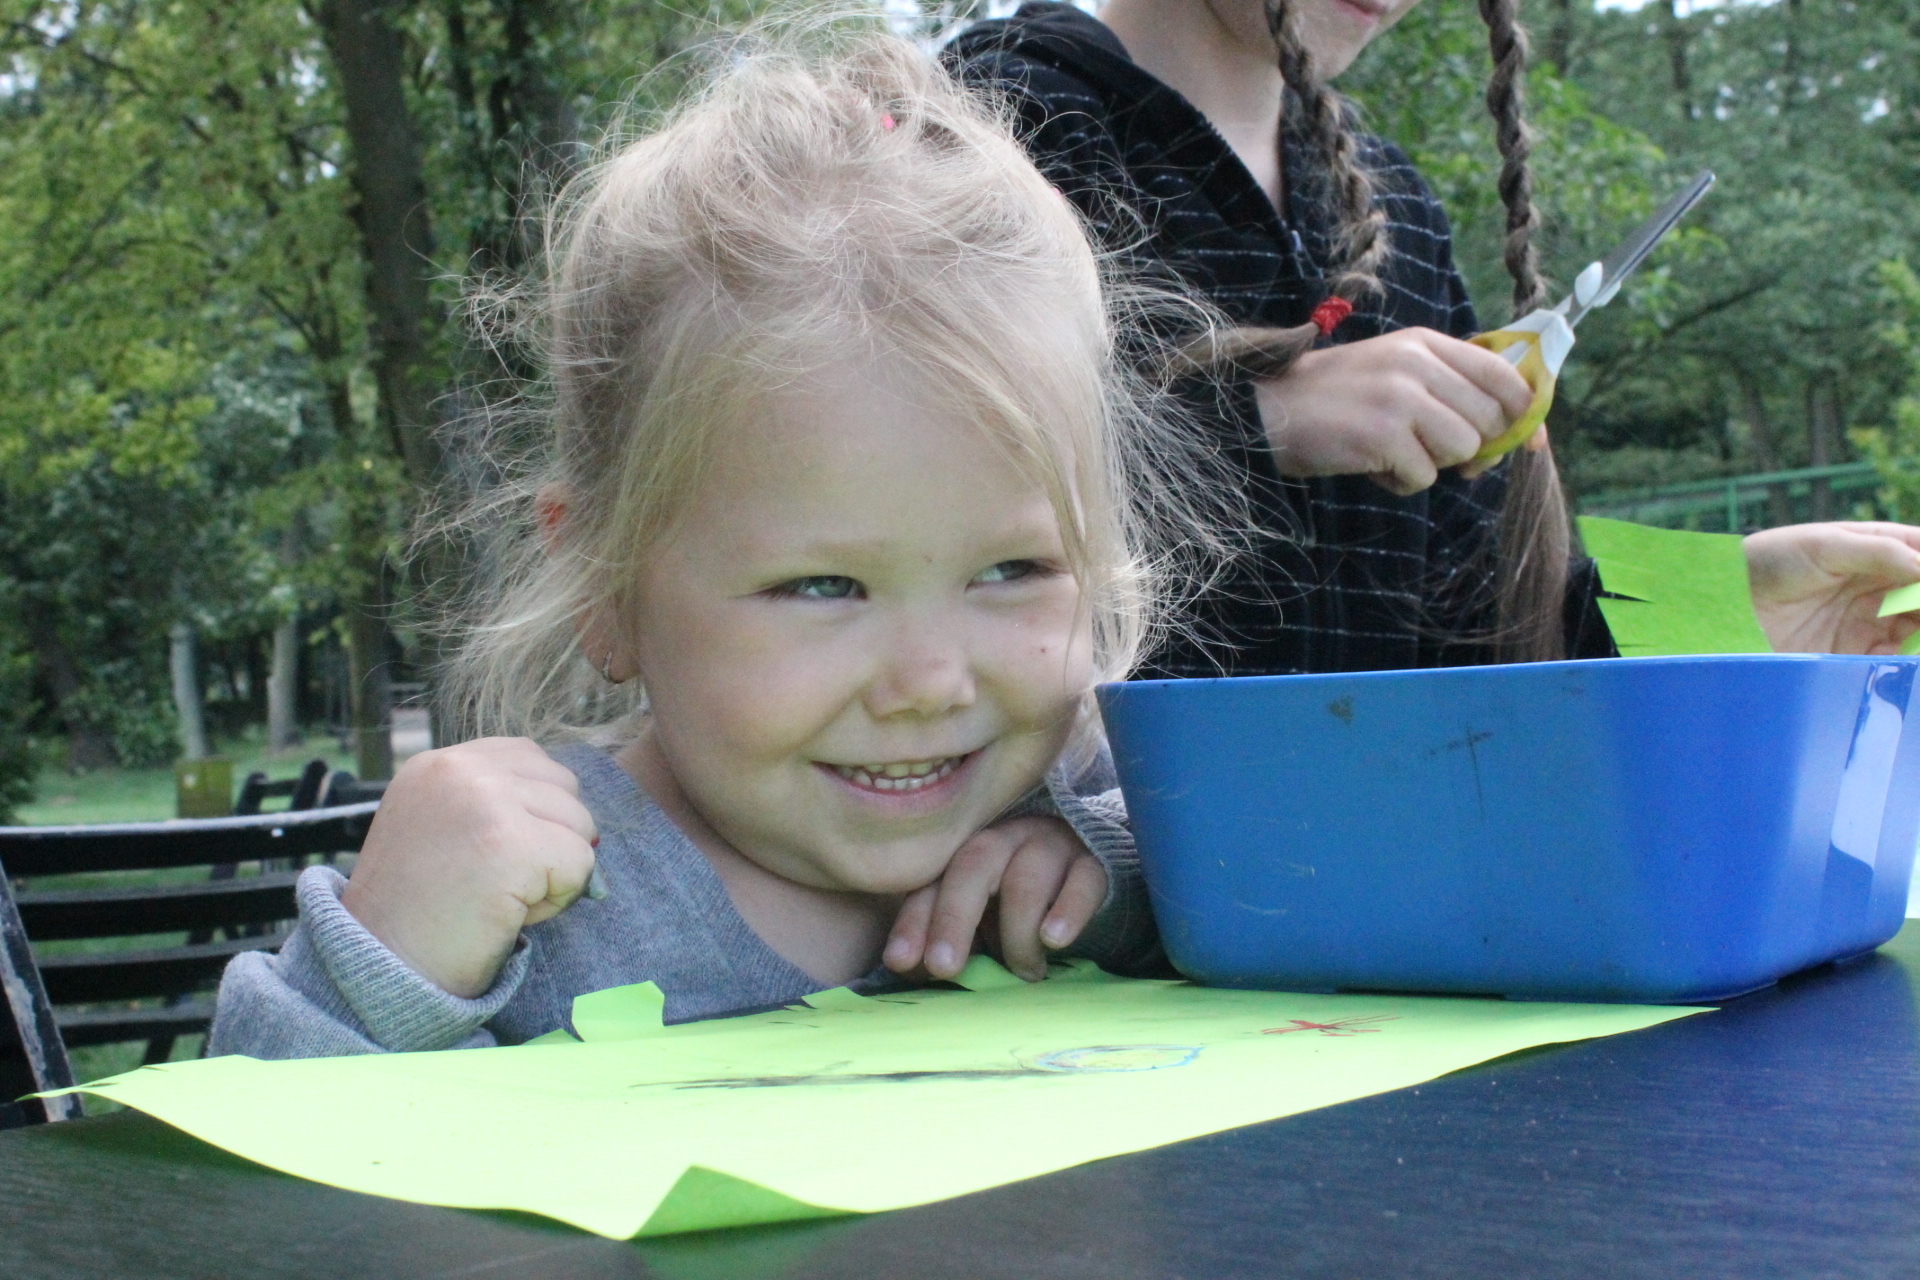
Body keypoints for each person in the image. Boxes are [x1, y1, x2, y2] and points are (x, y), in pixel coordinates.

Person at [209, 28, 1219, 1058]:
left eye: (1012, 571)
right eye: (822, 585)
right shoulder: (525, 905)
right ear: (605, 585)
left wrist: (1119, 888)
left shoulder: (1105, 823)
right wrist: (382, 971)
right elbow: (226, 1160)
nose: (928, 684)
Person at [946, 0, 1920, 673]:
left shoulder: (1390, 204)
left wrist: (1726, 605)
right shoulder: (993, 131)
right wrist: (1260, 421)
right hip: (1065, 891)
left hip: (1369, 878)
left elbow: (1482, 635)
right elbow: (921, 508)